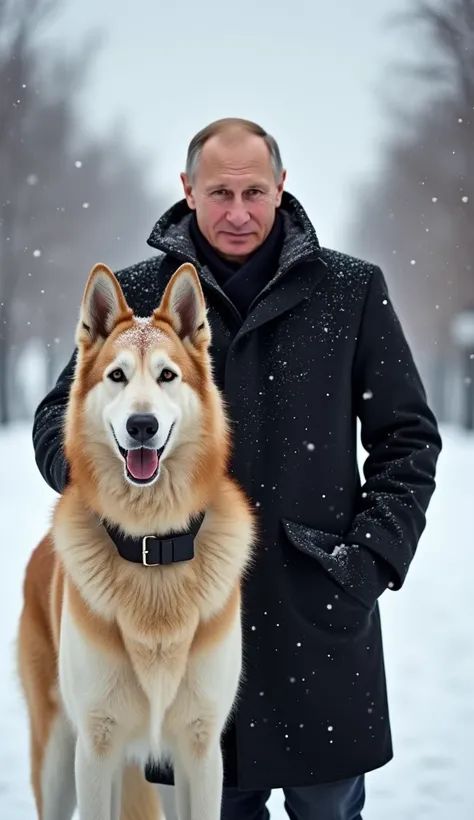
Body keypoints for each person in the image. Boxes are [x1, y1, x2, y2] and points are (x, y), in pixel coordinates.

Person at [32, 117, 442, 820]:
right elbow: (56, 423)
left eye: (255, 190)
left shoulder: (350, 291)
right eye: (219, 191)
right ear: (187, 191)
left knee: (330, 809)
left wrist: (368, 559)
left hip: (315, 615)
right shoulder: (137, 299)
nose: (239, 211)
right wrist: (118, 498)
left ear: (282, 188)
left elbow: (407, 440)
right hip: (172, 626)